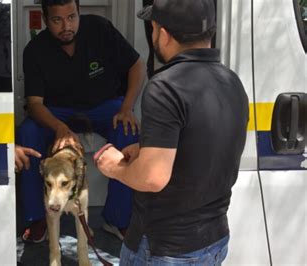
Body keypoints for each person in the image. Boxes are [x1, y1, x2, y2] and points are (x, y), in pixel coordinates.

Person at [95, 0, 249, 264]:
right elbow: (202, 150)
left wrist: (112, 167)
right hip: (213, 241)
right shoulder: (231, 81)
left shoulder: (165, 86)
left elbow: (153, 178)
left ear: (163, 34)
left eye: (153, 28)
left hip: (164, 249)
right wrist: (147, 151)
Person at [16, 0, 145, 243]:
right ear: (45, 20)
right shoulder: (35, 49)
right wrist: (60, 128)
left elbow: (137, 66)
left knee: (129, 132)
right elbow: (35, 104)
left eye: (72, 17)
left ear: (79, 13)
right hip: (58, 112)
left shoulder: (100, 29)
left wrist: (127, 108)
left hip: (104, 106)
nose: (67, 26)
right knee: (28, 134)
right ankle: (38, 217)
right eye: (57, 20)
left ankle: (117, 219)